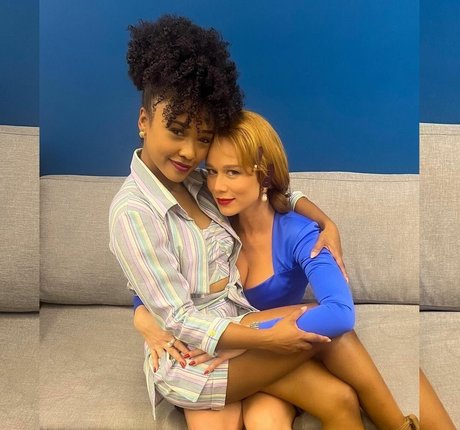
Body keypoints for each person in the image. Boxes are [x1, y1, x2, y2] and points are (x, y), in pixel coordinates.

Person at [109, 15, 418, 430]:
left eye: (202, 139)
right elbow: (178, 316)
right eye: (177, 131)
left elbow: (266, 189)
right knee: (329, 333)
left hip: (237, 325)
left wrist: (325, 221)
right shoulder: (133, 212)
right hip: (191, 353)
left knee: (338, 389)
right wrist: (264, 340)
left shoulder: (200, 184)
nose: (189, 152)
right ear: (144, 121)